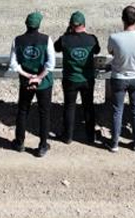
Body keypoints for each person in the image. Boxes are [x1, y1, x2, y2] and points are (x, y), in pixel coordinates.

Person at [9, 12, 55, 157]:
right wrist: (39, 77)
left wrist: (28, 75)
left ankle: (20, 142)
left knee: (23, 111)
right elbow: (50, 64)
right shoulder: (46, 39)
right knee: (45, 113)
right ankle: (42, 145)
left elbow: (13, 64)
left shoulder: (17, 40)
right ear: (39, 24)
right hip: (44, 83)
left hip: (26, 82)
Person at [107, 6, 135, 152]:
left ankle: (114, 143)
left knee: (117, 110)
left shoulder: (114, 38)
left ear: (122, 19)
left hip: (119, 77)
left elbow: (111, 52)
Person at [54, 11, 100, 144]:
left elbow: (56, 48)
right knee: (88, 106)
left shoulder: (65, 39)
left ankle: (67, 136)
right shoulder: (92, 39)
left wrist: (67, 32)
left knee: (69, 106)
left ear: (70, 24)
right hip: (87, 79)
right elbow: (97, 50)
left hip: (70, 79)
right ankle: (90, 136)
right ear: (84, 24)